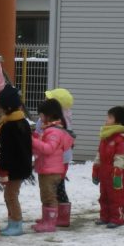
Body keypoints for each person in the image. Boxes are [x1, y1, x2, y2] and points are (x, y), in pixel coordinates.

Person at [0, 85, 32, 237]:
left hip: (14, 168)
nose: (0, 109)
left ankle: (16, 223)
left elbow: (7, 151)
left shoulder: (9, 126)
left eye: (1, 107)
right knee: (10, 194)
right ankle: (13, 222)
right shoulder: (22, 122)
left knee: (10, 195)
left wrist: (2, 168)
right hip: (22, 166)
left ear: (7, 107)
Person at [33, 98, 75, 232]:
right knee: (46, 195)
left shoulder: (54, 131)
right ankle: (47, 219)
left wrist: (33, 141)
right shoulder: (49, 129)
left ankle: (50, 222)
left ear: (49, 115)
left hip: (51, 171)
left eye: (41, 114)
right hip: (46, 168)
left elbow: (48, 149)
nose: (40, 117)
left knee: (50, 197)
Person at [93, 106, 124, 229]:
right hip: (104, 172)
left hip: (117, 174)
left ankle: (118, 217)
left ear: (119, 122)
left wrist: (117, 170)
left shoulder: (122, 139)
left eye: (110, 117)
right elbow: (99, 154)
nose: (107, 120)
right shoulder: (105, 137)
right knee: (104, 196)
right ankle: (105, 216)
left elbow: (122, 157)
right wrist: (96, 169)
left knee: (117, 197)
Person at [44, 87, 76, 226]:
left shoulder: (58, 122)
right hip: (62, 158)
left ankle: (61, 217)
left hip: (60, 159)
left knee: (57, 186)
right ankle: (55, 215)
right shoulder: (64, 118)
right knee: (56, 186)